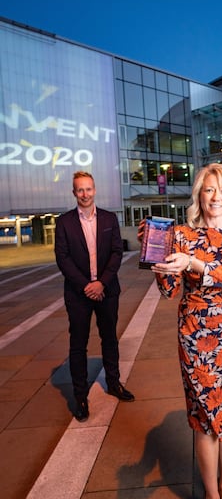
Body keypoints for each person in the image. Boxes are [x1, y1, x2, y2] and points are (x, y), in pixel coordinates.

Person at [139, 163, 222, 499]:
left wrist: (194, 262)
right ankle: (210, 496)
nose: (215, 198)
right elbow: (170, 290)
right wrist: (156, 255)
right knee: (206, 418)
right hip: (195, 334)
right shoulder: (181, 235)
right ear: (199, 195)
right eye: (209, 190)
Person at [55, 171, 134, 422]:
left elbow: (116, 252)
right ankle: (80, 396)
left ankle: (113, 383)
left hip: (107, 291)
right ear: (74, 192)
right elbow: (63, 258)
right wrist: (87, 286)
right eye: (80, 190)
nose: (85, 194)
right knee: (78, 344)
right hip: (78, 294)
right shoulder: (64, 222)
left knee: (109, 338)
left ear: (95, 190)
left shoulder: (110, 218)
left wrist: (101, 283)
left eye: (88, 189)